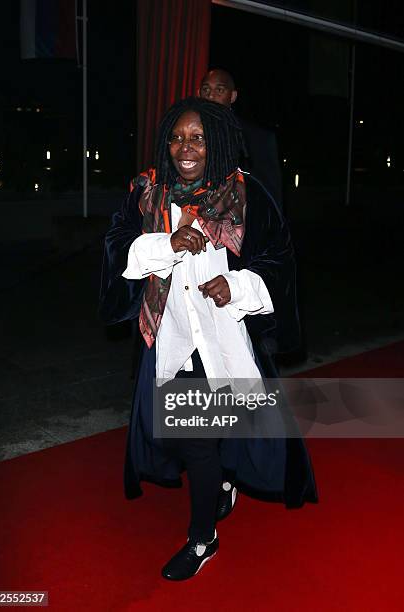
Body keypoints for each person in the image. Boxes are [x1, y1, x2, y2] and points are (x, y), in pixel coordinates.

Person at [99, 97, 317, 581]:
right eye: (177, 137)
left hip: (226, 342)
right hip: (172, 339)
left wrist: (236, 285)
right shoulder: (146, 194)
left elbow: (279, 260)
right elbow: (115, 249)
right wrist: (166, 242)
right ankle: (216, 499)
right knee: (184, 440)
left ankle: (203, 537)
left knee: (206, 438)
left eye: (197, 138)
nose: (185, 148)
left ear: (215, 142)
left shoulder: (246, 194)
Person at [199, 68, 283, 208]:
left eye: (219, 90)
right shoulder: (185, 134)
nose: (211, 96)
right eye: (206, 90)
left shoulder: (257, 138)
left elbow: (271, 194)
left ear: (232, 96)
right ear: (198, 93)